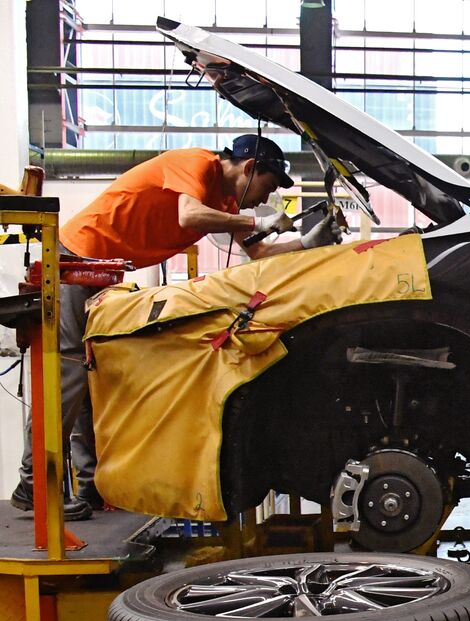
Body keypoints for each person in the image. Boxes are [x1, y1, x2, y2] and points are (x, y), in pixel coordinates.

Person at [12, 134, 342, 520]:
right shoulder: (196, 164)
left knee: (93, 374)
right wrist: (257, 220)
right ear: (249, 168)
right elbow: (189, 215)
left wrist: (307, 243)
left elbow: (259, 252)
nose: (264, 199)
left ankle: (92, 485)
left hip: (103, 270)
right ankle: (33, 482)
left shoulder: (225, 203)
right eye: (267, 187)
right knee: (68, 371)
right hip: (74, 257)